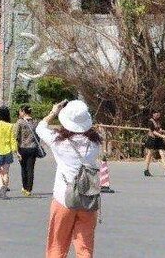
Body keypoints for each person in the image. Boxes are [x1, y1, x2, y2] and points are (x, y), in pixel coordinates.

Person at [38, 100, 102, 258]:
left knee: (57, 245)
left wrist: (53, 112)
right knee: (85, 248)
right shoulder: (95, 143)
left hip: (63, 198)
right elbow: (92, 132)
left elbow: (40, 128)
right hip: (88, 199)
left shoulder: (58, 142)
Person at [13, 107, 42, 196]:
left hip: (22, 147)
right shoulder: (36, 122)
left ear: (23, 112)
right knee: (30, 168)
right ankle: (29, 189)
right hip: (33, 147)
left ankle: (24, 187)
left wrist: (16, 149)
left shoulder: (20, 122)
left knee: (23, 168)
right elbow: (38, 135)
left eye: (20, 111)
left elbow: (15, 135)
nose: (19, 113)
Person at [143, 111, 165, 177]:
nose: (158, 115)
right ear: (153, 114)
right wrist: (163, 136)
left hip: (158, 140)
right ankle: (146, 170)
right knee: (149, 154)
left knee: (162, 154)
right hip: (152, 139)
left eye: (158, 114)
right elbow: (153, 132)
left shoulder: (158, 121)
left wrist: (161, 130)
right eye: (156, 114)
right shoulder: (150, 121)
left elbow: (159, 128)